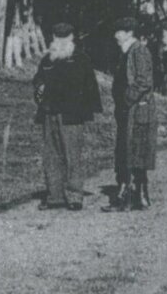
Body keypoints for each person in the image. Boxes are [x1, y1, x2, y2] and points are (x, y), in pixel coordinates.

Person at [32, 22, 102, 209]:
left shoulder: (80, 59)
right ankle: (54, 196)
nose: (60, 41)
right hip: (49, 113)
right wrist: (39, 87)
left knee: (72, 155)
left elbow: (90, 87)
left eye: (64, 38)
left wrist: (86, 112)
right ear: (53, 39)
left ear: (71, 38)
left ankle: (74, 196)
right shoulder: (47, 60)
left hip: (71, 115)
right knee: (51, 156)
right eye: (57, 38)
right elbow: (38, 79)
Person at [107, 15, 159, 211]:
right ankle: (135, 197)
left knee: (134, 152)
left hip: (136, 111)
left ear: (129, 33)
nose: (115, 35)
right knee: (129, 151)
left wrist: (127, 99)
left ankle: (131, 197)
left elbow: (144, 81)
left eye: (119, 32)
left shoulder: (138, 51)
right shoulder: (127, 52)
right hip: (128, 110)